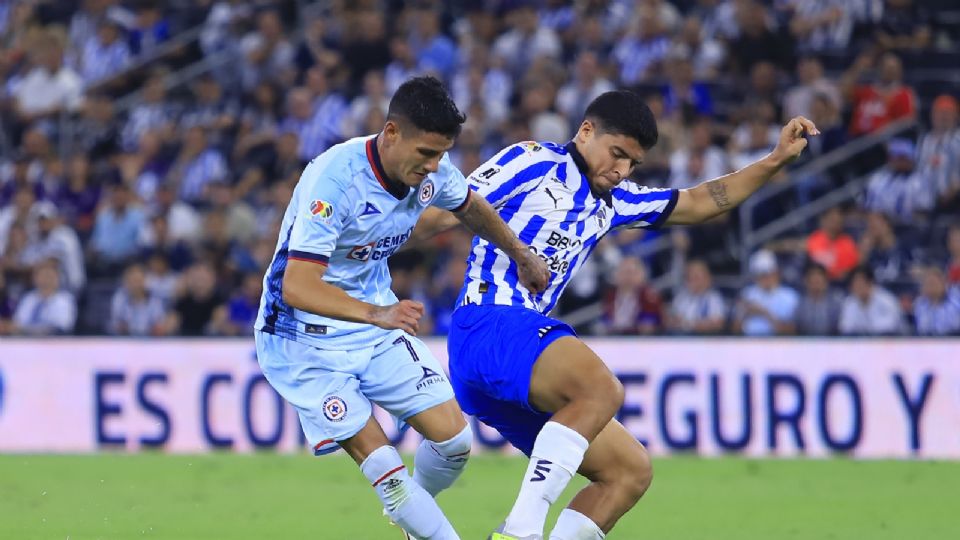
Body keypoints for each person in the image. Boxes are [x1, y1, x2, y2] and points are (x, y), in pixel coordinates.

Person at [415, 90, 817, 540]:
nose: (622, 170)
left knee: (628, 471)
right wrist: (369, 250)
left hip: (512, 358)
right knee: (600, 389)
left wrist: (774, 160)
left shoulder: (614, 202)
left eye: (633, 163)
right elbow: (450, 209)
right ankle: (519, 531)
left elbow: (701, 201)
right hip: (487, 323)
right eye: (618, 154)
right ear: (586, 132)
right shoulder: (531, 161)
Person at [253, 76, 549, 540]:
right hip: (301, 338)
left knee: (454, 441)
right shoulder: (335, 181)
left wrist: (521, 254)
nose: (434, 167)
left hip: (372, 320)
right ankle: (414, 514)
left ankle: (415, 523)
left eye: (441, 155)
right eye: (426, 154)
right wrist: (378, 314)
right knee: (388, 473)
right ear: (391, 133)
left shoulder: (430, 173)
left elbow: (471, 206)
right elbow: (297, 285)